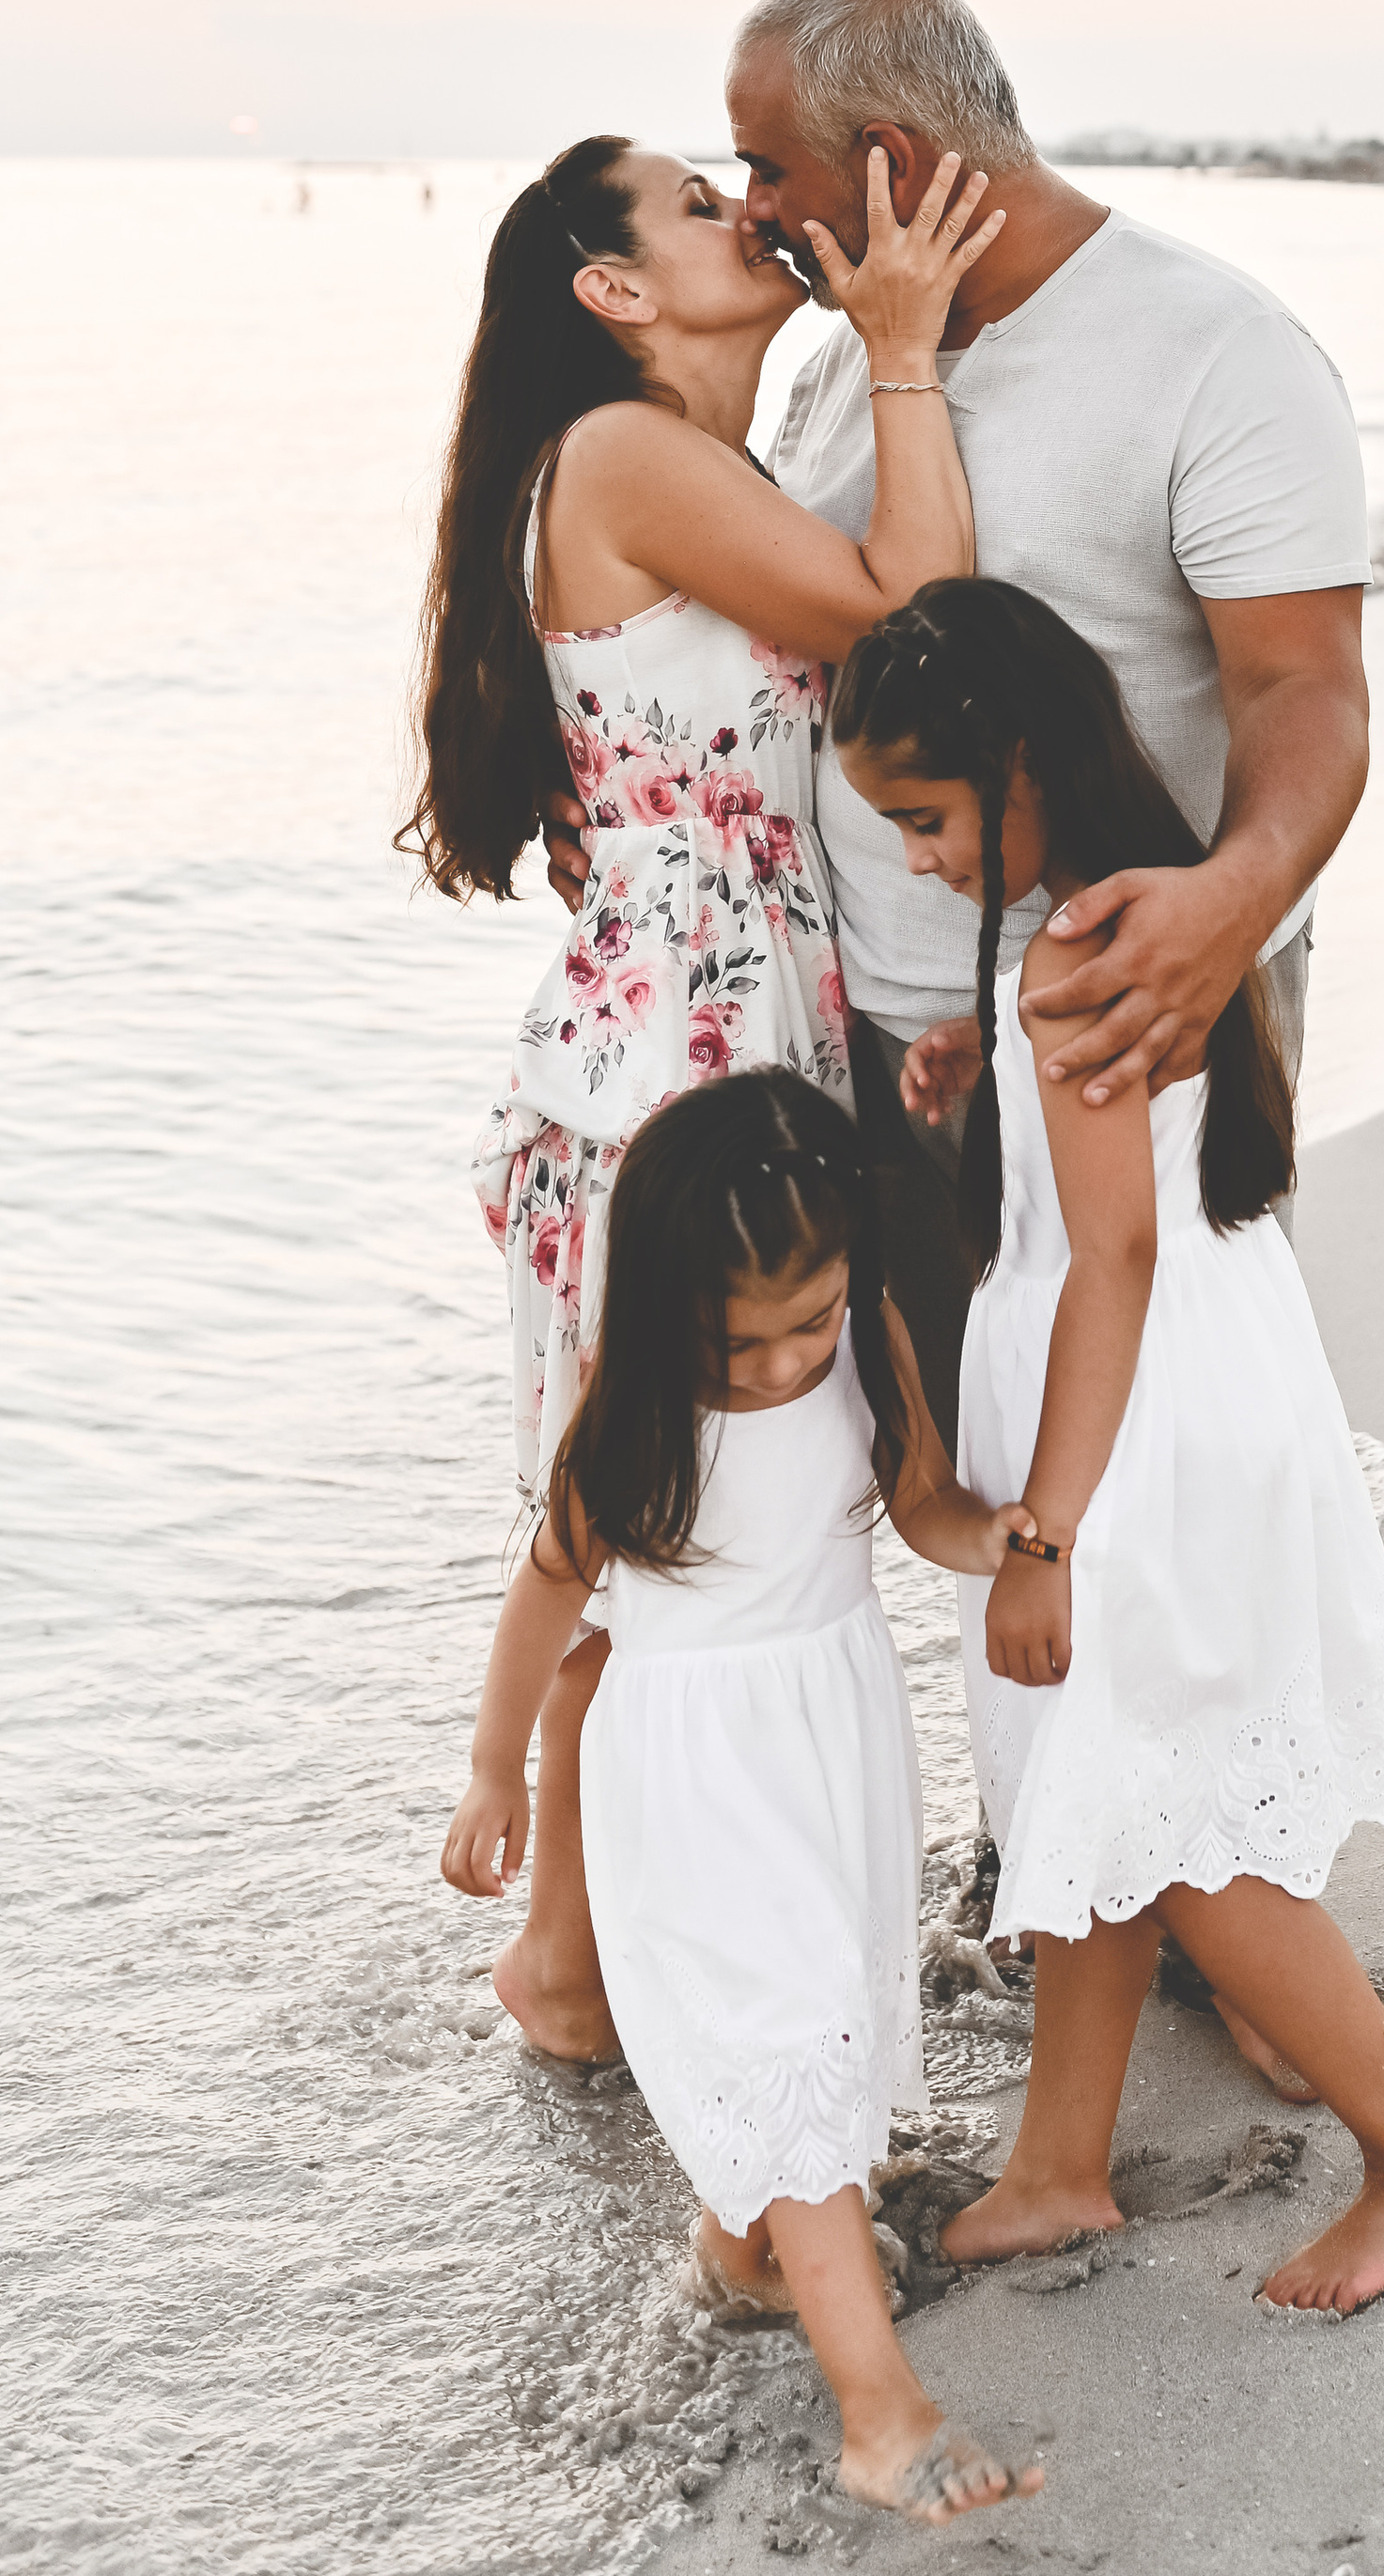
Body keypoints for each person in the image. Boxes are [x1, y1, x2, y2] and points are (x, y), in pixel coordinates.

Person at [832, 580, 1384, 2316]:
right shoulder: (1145, 910)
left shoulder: (1073, 952)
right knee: (1103, 1790)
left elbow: (1109, 1254)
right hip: (1202, 1371)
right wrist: (988, 1086)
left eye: (926, 819)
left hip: (1123, 1424)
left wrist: (1044, 1533)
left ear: (1019, 767)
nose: (913, 860)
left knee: (1189, 1829)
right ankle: (1061, 2160)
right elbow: (1132, 1171)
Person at [401, 128, 1002, 2060]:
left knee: (674, 1514)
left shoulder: (683, 463)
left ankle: (579, 1971)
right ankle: (591, 1972)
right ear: (614, 288)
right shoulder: (630, 453)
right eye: (687, 199)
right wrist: (900, 335)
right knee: (656, 1515)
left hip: (707, 1028)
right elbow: (918, 610)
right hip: (680, 1068)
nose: (737, 203)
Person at [708, 0, 1373, 1459]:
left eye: (765, 166)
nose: (745, 206)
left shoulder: (1218, 350)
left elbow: (1308, 686)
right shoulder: (849, 364)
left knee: (1169, 1451)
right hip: (885, 1024)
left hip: (1133, 1011)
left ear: (885, 163)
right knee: (970, 1449)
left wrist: (1235, 895)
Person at [441, 1070, 1042, 2526]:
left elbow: (918, 1503)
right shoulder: (633, 1419)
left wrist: (1004, 1536)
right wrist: (494, 1766)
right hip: (695, 1768)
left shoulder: (859, 1343)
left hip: (833, 1738)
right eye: (740, 1336)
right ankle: (879, 2410)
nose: (780, 1362)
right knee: (784, 2040)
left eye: (808, 1318)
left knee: (822, 2002)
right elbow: (545, 1597)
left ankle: (738, 2245)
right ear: (661, 1309)